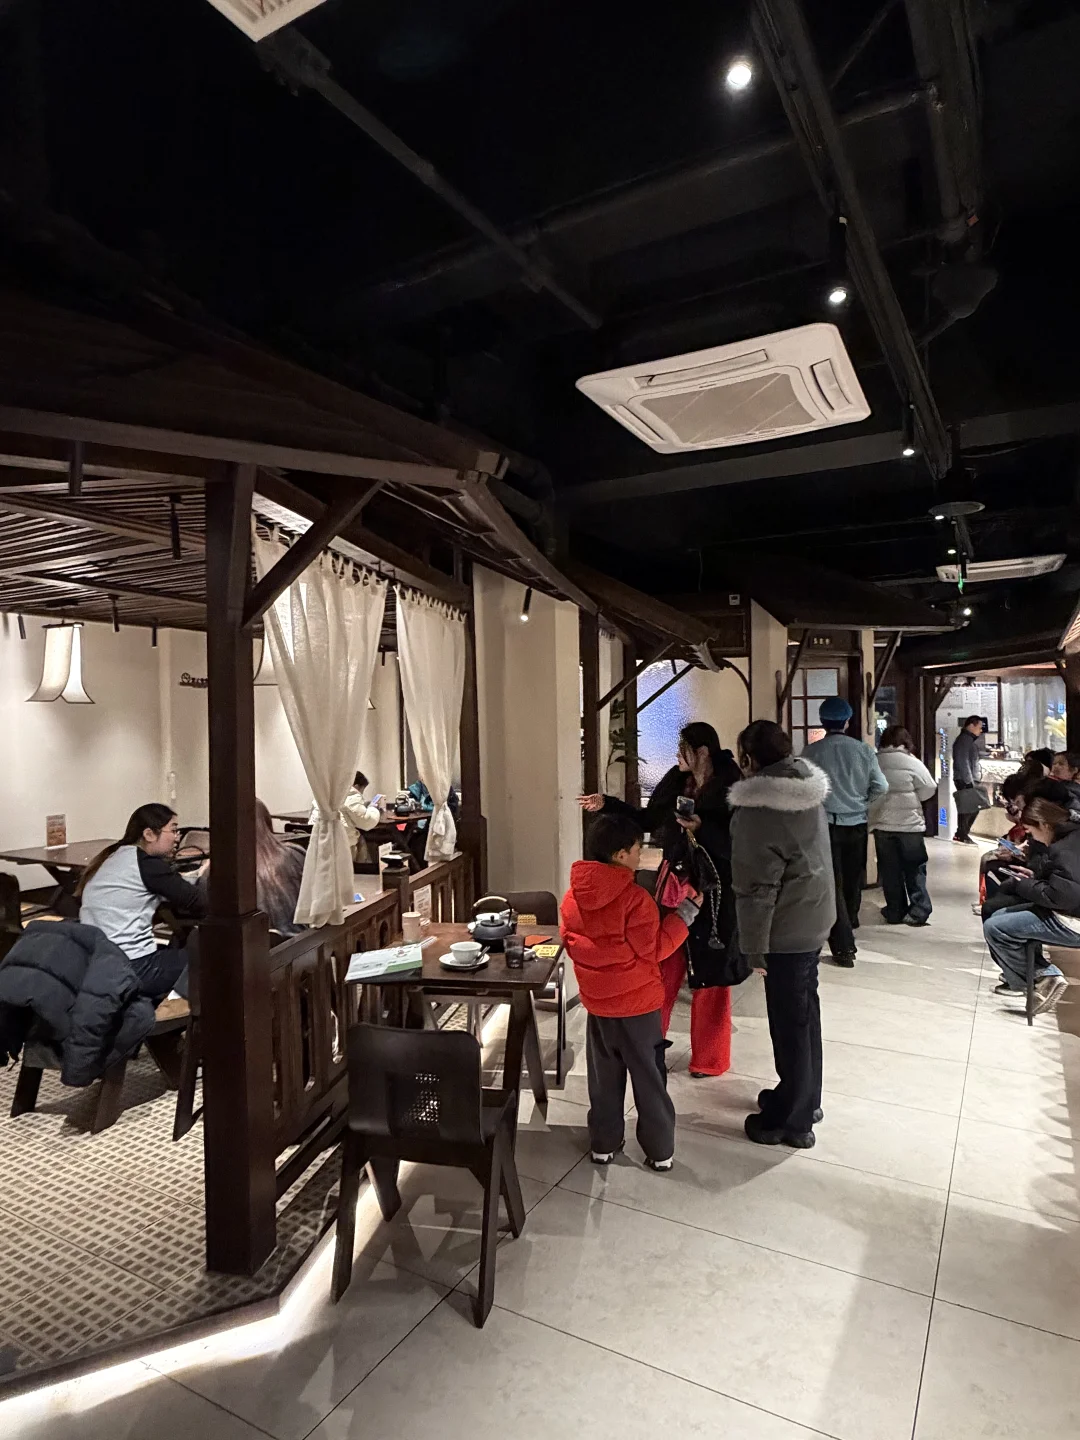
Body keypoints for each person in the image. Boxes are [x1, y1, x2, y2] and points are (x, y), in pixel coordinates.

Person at [579, 721, 743, 1078]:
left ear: (702, 751)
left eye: (683, 748)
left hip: (715, 889)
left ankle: (710, 1059)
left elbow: (741, 840)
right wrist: (608, 804)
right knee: (663, 964)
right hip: (676, 882)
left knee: (712, 976)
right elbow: (648, 818)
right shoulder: (675, 779)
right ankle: (650, 1045)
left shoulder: (732, 782)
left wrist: (702, 828)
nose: (676, 755)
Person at [561, 812, 695, 1170]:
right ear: (620, 855)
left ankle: (603, 1144)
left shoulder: (572, 898)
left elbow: (572, 943)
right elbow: (655, 949)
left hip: (598, 1007)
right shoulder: (636, 900)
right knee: (649, 1079)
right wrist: (684, 917)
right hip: (639, 1009)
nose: (640, 855)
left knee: (603, 1078)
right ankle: (660, 1151)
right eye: (637, 850)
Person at [729, 720, 835, 1148]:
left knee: (791, 1024)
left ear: (748, 759)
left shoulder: (759, 809)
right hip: (813, 914)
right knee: (805, 1015)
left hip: (786, 926)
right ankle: (806, 1099)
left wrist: (754, 948)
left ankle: (792, 1121)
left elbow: (757, 887)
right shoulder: (806, 786)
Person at [78, 804, 206, 1001]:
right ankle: (177, 1012)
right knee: (208, 955)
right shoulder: (147, 865)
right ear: (149, 834)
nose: (177, 837)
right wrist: (206, 874)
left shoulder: (117, 856)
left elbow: (169, 886)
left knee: (179, 946)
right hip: (134, 967)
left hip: (97, 963)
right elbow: (198, 901)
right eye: (173, 830)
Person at [802, 697, 887, 966]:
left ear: (823, 722)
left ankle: (840, 935)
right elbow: (881, 786)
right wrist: (863, 802)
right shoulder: (864, 750)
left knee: (832, 881)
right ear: (847, 722)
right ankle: (850, 921)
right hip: (856, 822)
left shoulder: (811, 752)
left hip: (824, 824)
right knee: (852, 876)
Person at [982, 795, 1080, 1015]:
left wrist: (1023, 884)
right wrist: (1034, 879)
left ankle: (1042, 978)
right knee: (997, 916)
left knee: (995, 928)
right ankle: (1039, 980)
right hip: (1068, 911)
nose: (1032, 837)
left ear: (1044, 825)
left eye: (1031, 831)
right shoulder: (1070, 839)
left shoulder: (1064, 849)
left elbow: (1062, 897)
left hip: (1072, 919)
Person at [199, 801, 306, 937]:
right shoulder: (295, 854)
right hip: (302, 944)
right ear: (266, 821)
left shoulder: (218, 872)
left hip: (248, 947)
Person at [871, 725, 937, 926]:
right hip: (910, 826)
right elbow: (929, 786)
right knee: (915, 868)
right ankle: (919, 910)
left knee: (890, 871)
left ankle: (894, 911)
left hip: (883, 825)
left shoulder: (874, 761)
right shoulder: (911, 762)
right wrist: (916, 798)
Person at [310, 772, 383, 862]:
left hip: (318, 841)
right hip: (342, 845)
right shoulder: (351, 794)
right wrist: (373, 808)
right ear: (356, 786)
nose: (361, 794)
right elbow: (367, 822)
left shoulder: (324, 793)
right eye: (362, 790)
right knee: (362, 842)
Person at [952, 716, 986, 844]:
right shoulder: (965, 740)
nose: (980, 730)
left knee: (968, 807)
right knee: (970, 808)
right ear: (971, 726)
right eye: (979, 727)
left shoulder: (968, 740)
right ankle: (961, 834)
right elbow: (962, 761)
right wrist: (968, 781)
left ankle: (962, 833)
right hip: (965, 779)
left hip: (966, 778)